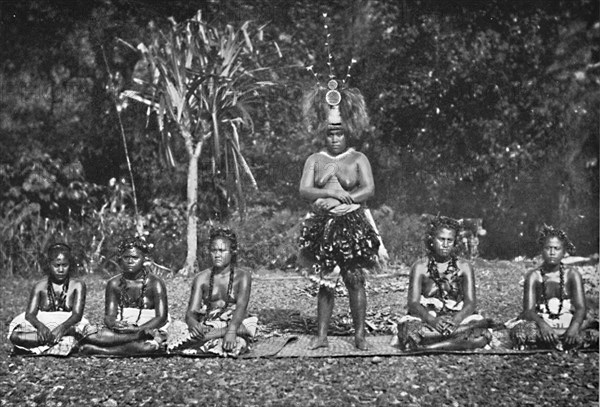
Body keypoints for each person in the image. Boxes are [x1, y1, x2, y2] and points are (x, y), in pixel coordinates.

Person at [298, 67, 382, 350]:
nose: (334, 139)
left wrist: (347, 200)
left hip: (353, 221)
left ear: (348, 132)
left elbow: (369, 189)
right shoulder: (315, 159)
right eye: (330, 134)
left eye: (339, 133)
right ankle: (322, 335)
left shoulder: (358, 158)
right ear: (324, 133)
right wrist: (326, 193)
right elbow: (304, 189)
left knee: (354, 277)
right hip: (323, 223)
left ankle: (359, 334)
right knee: (326, 280)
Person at [392, 216, 491, 351]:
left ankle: (431, 347)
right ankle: (450, 341)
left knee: (481, 334)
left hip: (457, 317)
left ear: (455, 242)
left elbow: (470, 303)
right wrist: (432, 321)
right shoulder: (420, 266)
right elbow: (413, 303)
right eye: (441, 239)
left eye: (449, 240)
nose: (445, 245)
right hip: (428, 317)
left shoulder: (465, 266)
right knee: (411, 330)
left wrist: (456, 320)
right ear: (432, 240)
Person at [508, 225, 598, 350]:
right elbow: (528, 311)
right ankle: (560, 343)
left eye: (556, 248)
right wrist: (543, 326)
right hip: (543, 323)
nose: (552, 252)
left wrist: (574, 327)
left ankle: (562, 341)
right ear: (541, 250)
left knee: (594, 333)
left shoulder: (572, 274)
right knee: (520, 333)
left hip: (569, 322)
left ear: (564, 252)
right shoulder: (534, 276)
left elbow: (581, 308)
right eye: (548, 248)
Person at [80, 235, 169, 355]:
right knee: (91, 335)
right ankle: (133, 340)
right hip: (123, 330)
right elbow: (109, 316)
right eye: (126, 257)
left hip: (149, 328)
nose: (130, 261)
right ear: (120, 259)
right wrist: (114, 324)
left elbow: (161, 318)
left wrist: (138, 329)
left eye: (135, 257)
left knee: (148, 346)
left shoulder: (155, 283)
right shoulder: (114, 283)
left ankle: (103, 350)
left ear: (144, 259)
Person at [177, 228, 257, 357]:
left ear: (232, 252)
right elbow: (191, 312)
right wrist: (194, 324)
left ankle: (219, 335)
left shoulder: (242, 276)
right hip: (208, 323)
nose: (217, 255)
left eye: (222, 250)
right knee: (178, 331)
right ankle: (217, 335)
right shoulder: (201, 278)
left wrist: (231, 330)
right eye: (213, 250)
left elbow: (241, 307)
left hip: (234, 322)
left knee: (242, 331)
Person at [8, 243, 89, 355]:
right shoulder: (39, 286)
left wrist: (62, 328)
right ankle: (62, 344)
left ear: (70, 265)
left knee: (86, 332)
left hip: (69, 325)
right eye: (57, 265)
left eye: (64, 265)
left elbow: (77, 315)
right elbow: (30, 314)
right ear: (49, 265)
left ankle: (43, 346)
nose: (61, 269)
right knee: (15, 336)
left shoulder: (78, 285)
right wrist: (41, 327)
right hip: (43, 326)